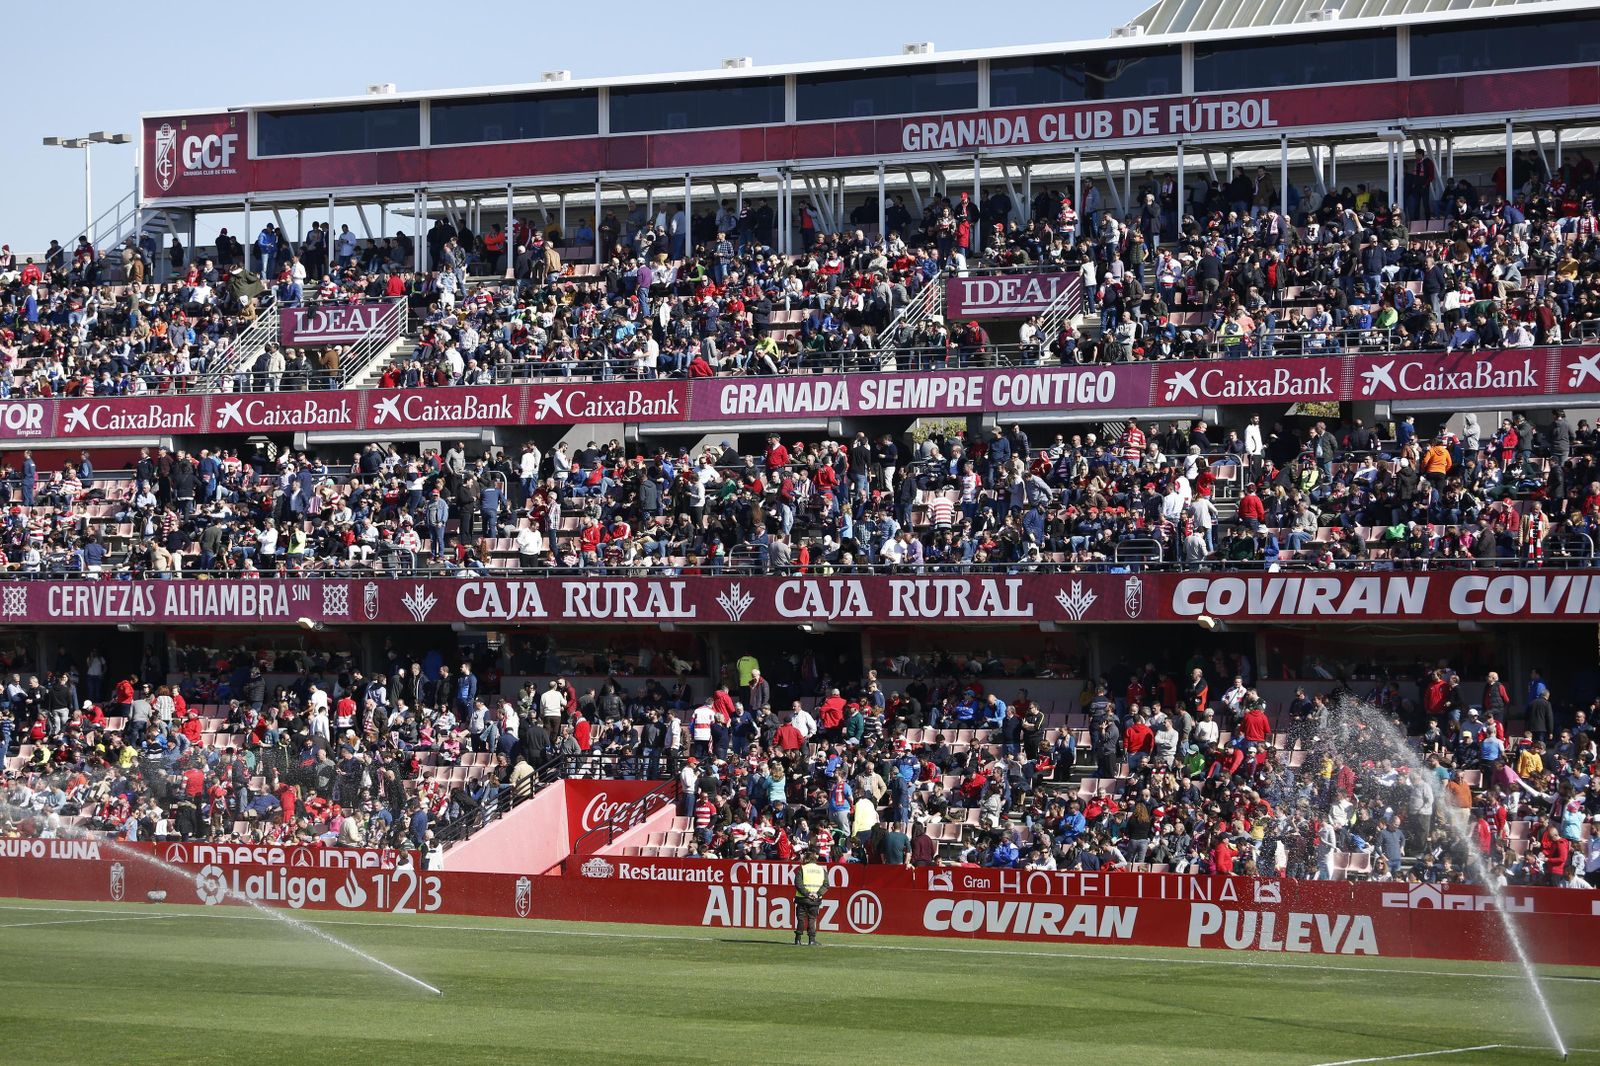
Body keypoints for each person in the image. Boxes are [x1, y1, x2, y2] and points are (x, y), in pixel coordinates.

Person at [793, 848, 827, 946]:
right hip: (815, 899)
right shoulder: (822, 870)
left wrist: (807, 894)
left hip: (802, 899)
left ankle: (798, 939)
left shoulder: (802, 869)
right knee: (812, 919)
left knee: (801, 919)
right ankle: (812, 940)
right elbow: (826, 885)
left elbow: (798, 884)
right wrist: (817, 894)